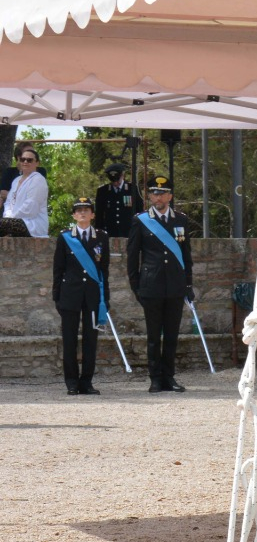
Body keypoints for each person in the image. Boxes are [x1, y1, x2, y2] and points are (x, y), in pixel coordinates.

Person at [125, 175, 195, 393]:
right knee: (154, 336)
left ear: (170, 196)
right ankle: (155, 378)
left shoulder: (180, 220)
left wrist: (188, 284)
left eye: (163, 193)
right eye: (155, 193)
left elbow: (186, 255)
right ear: (149, 196)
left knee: (172, 335)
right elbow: (132, 256)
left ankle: (169, 377)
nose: (158, 197)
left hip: (175, 284)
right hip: (151, 285)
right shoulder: (141, 220)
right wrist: (136, 286)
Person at [52, 197, 109, 396]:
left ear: (93, 214)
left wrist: (105, 299)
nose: (82, 213)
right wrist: (57, 297)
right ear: (74, 215)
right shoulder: (65, 237)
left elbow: (104, 270)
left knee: (90, 340)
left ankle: (86, 382)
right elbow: (58, 269)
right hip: (70, 295)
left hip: (93, 296)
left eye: (86, 210)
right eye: (79, 210)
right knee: (69, 340)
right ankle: (71, 382)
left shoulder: (101, 237)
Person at [2, 144, 48, 237]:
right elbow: (8, 203)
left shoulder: (38, 179)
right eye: (23, 159)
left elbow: (31, 207)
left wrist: (11, 219)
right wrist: (8, 217)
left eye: (29, 160)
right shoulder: (16, 181)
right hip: (13, 221)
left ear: (37, 163)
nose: (25, 162)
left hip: (32, 225)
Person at [95, 163, 143, 237]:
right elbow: (99, 215)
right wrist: (99, 234)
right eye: (113, 181)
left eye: (117, 180)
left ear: (122, 175)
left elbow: (139, 211)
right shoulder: (103, 191)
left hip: (129, 232)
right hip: (109, 233)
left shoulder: (133, 189)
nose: (116, 183)